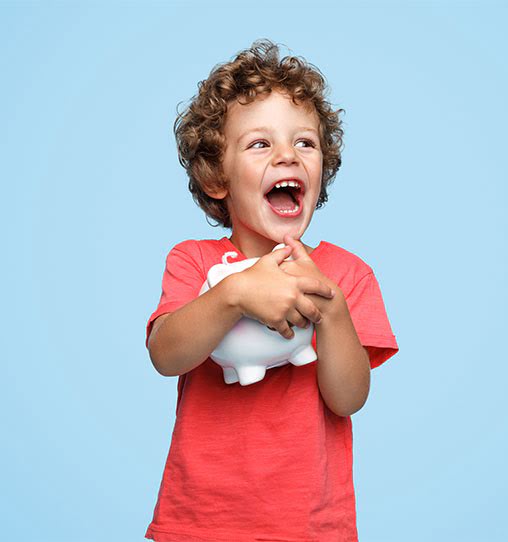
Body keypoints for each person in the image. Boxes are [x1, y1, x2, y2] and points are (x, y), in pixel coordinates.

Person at [144, 38, 399, 542]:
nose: (287, 155)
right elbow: (165, 355)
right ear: (217, 176)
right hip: (200, 523)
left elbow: (347, 400)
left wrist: (335, 314)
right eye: (261, 144)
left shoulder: (346, 274)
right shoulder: (193, 261)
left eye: (304, 143)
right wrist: (234, 294)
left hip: (310, 526)